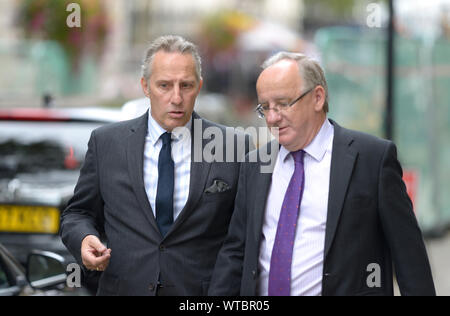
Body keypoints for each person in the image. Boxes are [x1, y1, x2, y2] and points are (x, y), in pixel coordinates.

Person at [208, 52, 436, 296]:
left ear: (317, 97)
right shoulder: (255, 164)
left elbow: (410, 258)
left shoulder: (372, 158)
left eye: (283, 104)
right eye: (266, 108)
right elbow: (235, 252)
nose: (273, 118)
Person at [60, 35, 253, 296]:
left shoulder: (234, 146)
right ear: (145, 86)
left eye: (186, 85)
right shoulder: (106, 143)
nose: (176, 98)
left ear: (199, 86)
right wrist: (83, 239)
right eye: (164, 85)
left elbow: (242, 237)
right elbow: (77, 213)